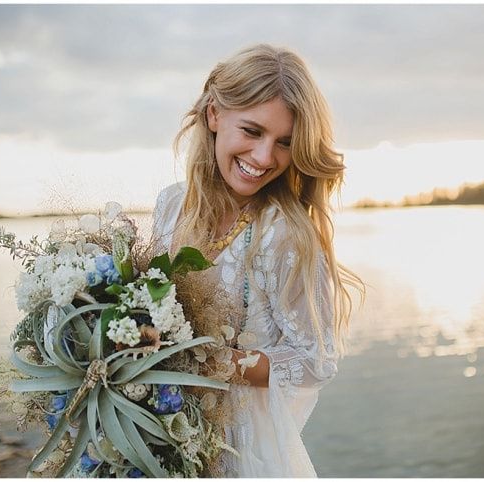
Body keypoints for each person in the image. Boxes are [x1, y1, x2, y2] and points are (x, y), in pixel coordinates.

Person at [152, 44, 363, 477]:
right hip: (161, 430)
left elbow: (313, 361)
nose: (265, 158)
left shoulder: (283, 234)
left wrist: (208, 361)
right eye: (252, 131)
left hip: (242, 452)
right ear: (214, 115)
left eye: (285, 143)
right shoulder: (171, 206)